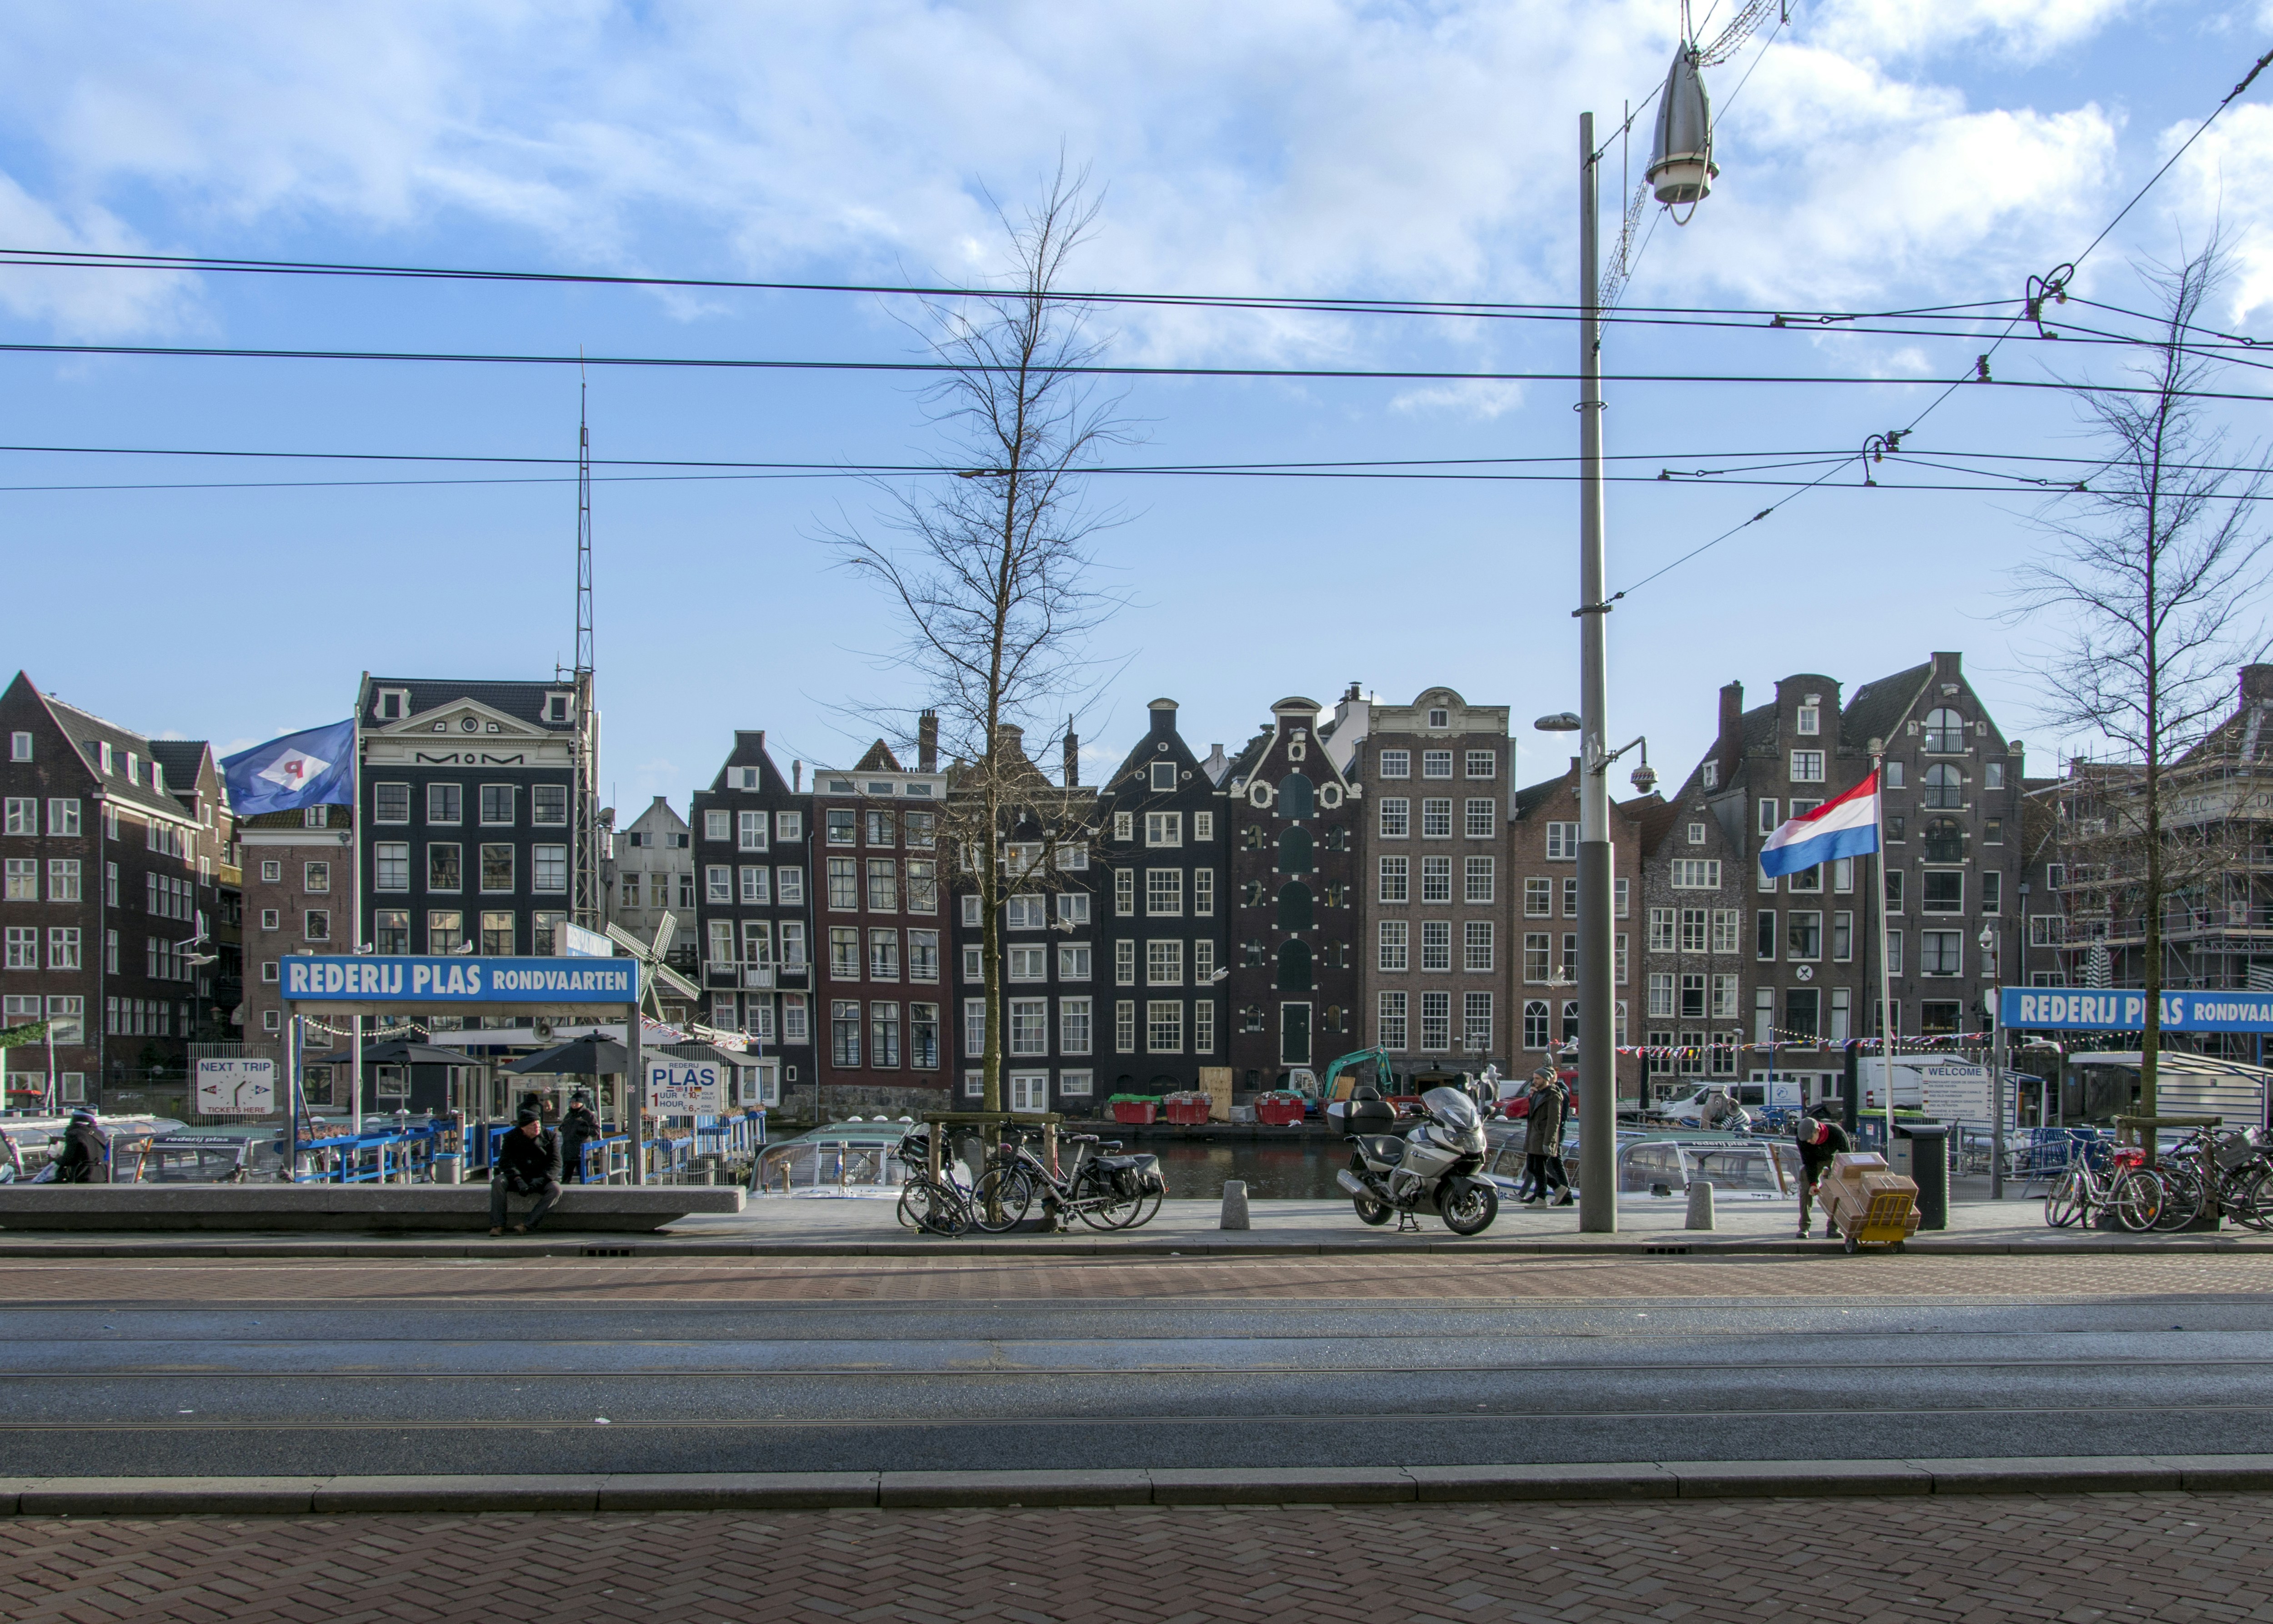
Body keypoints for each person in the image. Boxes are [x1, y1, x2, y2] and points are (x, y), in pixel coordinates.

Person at [490, 1107, 562, 1235]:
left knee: (556, 1190)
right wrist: (517, 1179)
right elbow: (505, 1161)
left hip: (541, 1177)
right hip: (518, 1177)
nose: (537, 1128)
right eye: (533, 1125)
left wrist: (542, 1179)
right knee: (498, 1181)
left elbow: (556, 1163)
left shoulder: (550, 1137)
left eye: (538, 1124)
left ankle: (527, 1225)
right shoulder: (512, 1137)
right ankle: (498, 1225)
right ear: (523, 1128)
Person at [1794, 1106, 1854, 1240]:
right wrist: (1813, 1183)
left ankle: (1833, 1227)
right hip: (1815, 1161)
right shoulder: (1802, 1139)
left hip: (1836, 1158)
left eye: (1811, 1139)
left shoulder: (1837, 1133)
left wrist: (1835, 1178)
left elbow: (1846, 1159)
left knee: (1839, 1189)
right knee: (1805, 1186)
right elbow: (1808, 1162)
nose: (1809, 1142)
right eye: (1807, 1141)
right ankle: (1804, 1228)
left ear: (1817, 1131)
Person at [1523, 1069, 1572, 1207]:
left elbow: (1554, 1121)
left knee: (1539, 1168)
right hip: (1534, 1136)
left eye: (1538, 1078)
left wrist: (1549, 1141)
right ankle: (1559, 1188)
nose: (1535, 1081)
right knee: (1532, 1168)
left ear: (1546, 1079)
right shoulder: (1538, 1094)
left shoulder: (1553, 1095)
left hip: (1543, 1137)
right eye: (1534, 1078)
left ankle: (1541, 1198)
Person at [50, 1108, 108, 1183]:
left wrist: (57, 1160)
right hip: (100, 1173)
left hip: (82, 1174)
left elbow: (69, 1158)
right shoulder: (100, 1134)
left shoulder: (74, 1134)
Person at [558, 1091, 601, 1183]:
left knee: (584, 1178)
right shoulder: (569, 1115)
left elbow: (596, 1131)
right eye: (572, 1103)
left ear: (581, 1103)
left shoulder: (588, 1115)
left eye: (576, 1103)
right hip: (568, 1151)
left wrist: (583, 1130)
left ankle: (585, 1195)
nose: (574, 1105)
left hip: (582, 1153)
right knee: (565, 1179)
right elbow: (563, 1127)